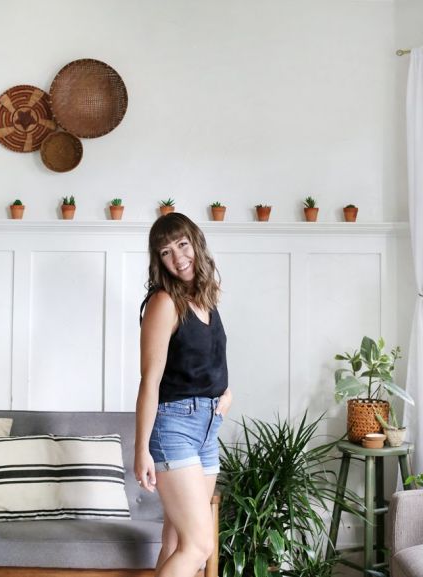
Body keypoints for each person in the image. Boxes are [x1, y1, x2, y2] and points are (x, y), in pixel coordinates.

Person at [134, 212, 232, 577]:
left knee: (175, 541)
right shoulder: (164, 302)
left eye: (182, 245)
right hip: (173, 427)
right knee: (199, 546)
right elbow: (150, 380)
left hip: (208, 430)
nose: (177, 258)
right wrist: (141, 448)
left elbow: (209, 361)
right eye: (165, 252)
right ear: (158, 261)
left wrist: (226, 393)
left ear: (196, 242)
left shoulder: (207, 299)